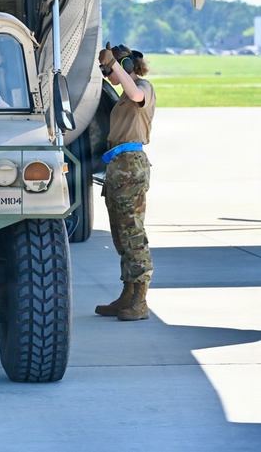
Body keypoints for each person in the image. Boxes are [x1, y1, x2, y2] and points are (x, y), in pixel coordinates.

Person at [95, 42, 155, 321]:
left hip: (131, 166)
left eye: (110, 69)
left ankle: (140, 300)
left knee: (133, 233)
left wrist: (117, 64)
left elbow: (135, 93)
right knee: (120, 235)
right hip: (118, 166)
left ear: (127, 66)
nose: (108, 75)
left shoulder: (142, 87)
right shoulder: (121, 97)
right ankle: (127, 294)